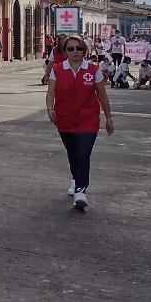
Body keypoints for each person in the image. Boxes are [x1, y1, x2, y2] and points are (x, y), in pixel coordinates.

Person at [46, 33, 114, 209]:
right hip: (64, 119)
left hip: (88, 120)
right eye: (71, 48)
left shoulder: (93, 70)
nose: (75, 51)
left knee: (83, 154)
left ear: (84, 50)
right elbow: (51, 92)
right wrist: (50, 108)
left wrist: (108, 118)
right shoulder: (58, 69)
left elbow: (102, 95)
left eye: (79, 48)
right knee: (73, 153)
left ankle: (80, 191)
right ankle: (76, 178)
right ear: (65, 51)